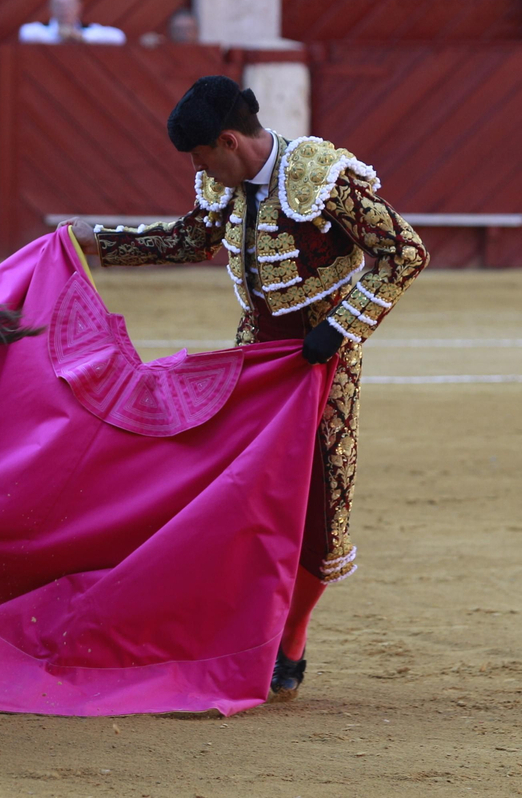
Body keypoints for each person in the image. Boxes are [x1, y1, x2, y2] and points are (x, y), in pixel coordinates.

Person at [70, 77, 427, 703]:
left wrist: (343, 327)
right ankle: (235, 630)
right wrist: (96, 244)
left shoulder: (322, 176)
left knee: (318, 498)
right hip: (255, 359)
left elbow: (404, 251)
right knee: (237, 495)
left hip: (324, 363)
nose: (197, 167)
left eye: (201, 154)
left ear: (229, 141)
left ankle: (291, 638)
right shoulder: (224, 183)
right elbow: (191, 238)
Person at [18, 0, 126, 44]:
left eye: (69, 5)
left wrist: (81, 38)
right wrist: (60, 36)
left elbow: (118, 37)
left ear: (79, 7)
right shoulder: (38, 30)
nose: (64, 9)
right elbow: (26, 34)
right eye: (58, 5)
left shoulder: (89, 30)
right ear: (50, 7)